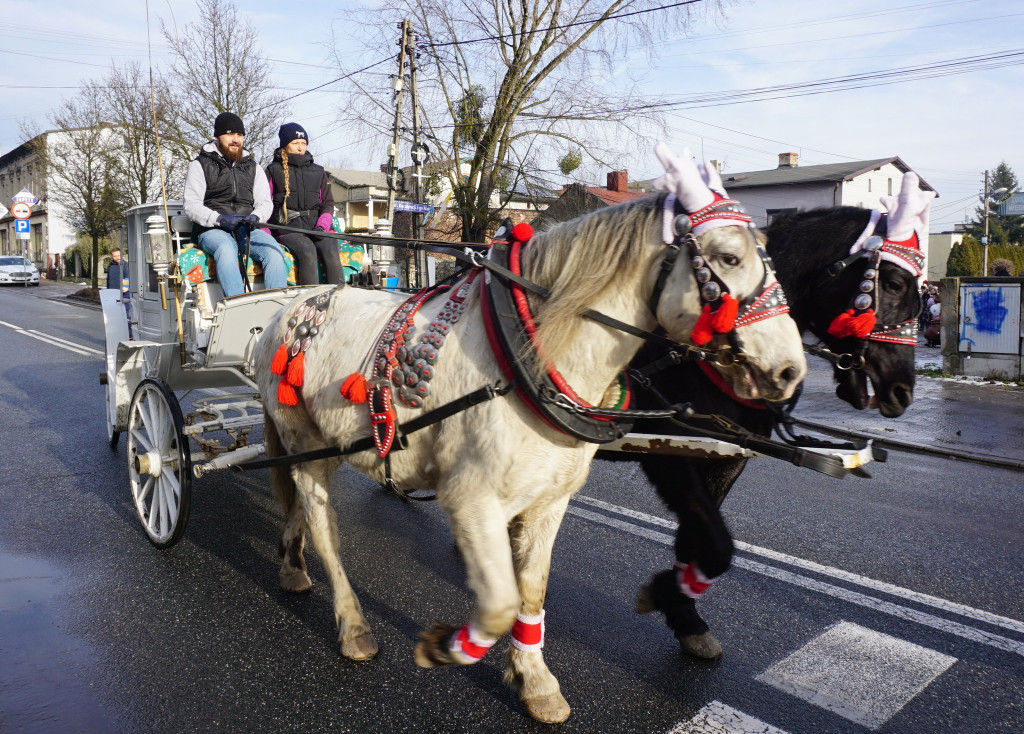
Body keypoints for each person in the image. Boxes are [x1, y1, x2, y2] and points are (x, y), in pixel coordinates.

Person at [183, 111, 288, 297]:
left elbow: (265, 202)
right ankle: (236, 303)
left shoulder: (253, 166)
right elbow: (191, 205)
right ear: (217, 136)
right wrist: (219, 219)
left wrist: (256, 217)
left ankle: (276, 307)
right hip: (212, 229)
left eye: (239, 135)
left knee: (274, 252)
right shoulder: (199, 165)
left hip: (247, 228)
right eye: (230, 134)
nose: (235, 140)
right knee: (226, 249)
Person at [265, 122, 344, 286]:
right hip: (288, 229)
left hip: (316, 227)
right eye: (295, 143)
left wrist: (322, 227)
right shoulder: (273, 170)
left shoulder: (318, 171)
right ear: (285, 145)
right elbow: (263, 203)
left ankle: (339, 297)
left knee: (330, 246)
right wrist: (266, 232)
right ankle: (310, 302)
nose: (300, 147)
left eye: (303, 143)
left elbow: (328, 203)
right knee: (307, 250)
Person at [106, 247, 132, 337]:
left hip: (124, 293)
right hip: (113, 293)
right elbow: (109, 279)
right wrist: (108, 291)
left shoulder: (125, 265)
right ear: (112, 256)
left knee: (126, 315)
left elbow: (127, 276)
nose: (117, 257)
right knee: (115, 317)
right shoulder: (110, 266)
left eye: (119, 255)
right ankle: (117, 335)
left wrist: (125, 286)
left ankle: (129, 335)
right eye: (115, 256)